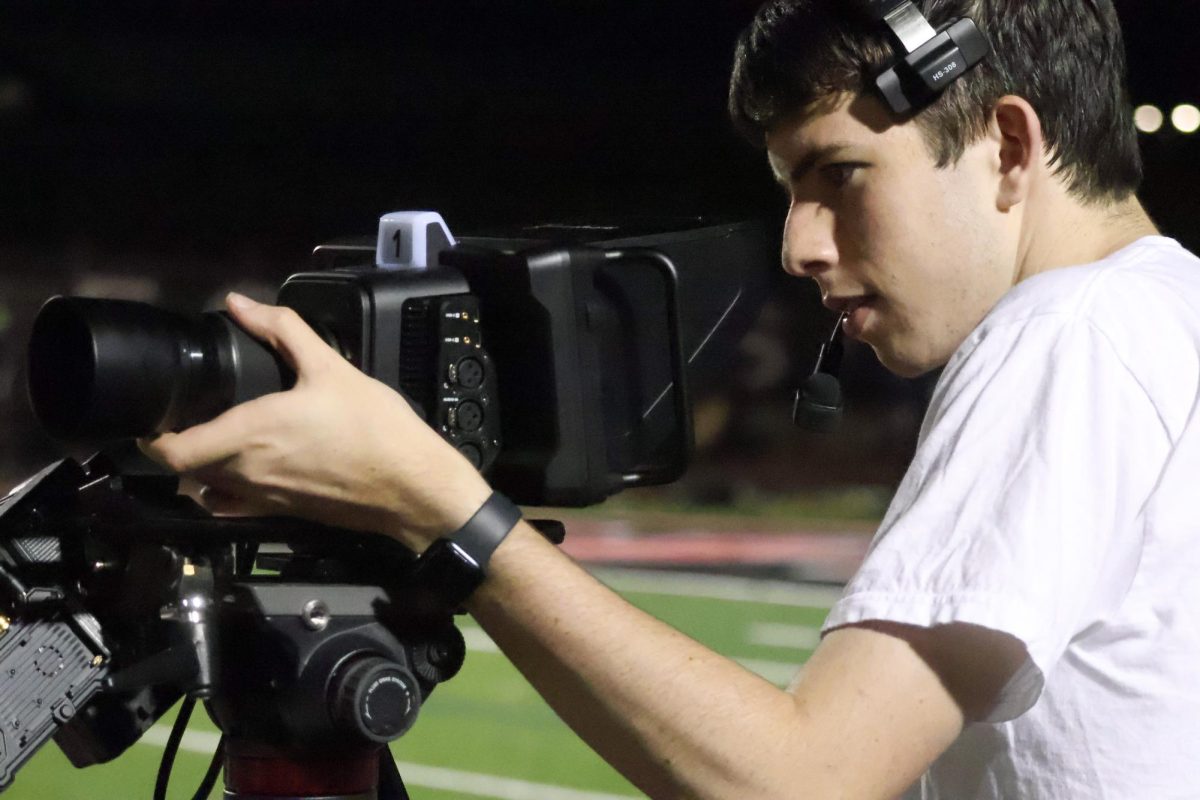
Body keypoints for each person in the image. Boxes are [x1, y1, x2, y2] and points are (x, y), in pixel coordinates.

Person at [142, 1, 1200, 797]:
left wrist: (445, 512)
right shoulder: (1163, 307)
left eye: (841, 174)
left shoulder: (1071, 332)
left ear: (1008, 147)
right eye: (793, 190)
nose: (800, 245)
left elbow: (805, 778)